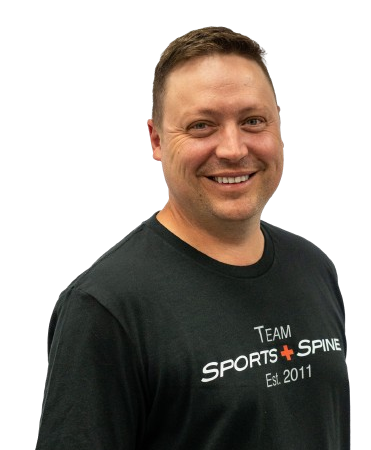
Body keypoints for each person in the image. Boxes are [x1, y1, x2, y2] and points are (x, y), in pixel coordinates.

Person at [36, 26, 350, 449]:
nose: (233, 149)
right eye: (202, 126)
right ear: (156, 141)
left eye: (253, 121)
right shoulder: (106, 306)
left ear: (277, 128)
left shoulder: (313, 265)